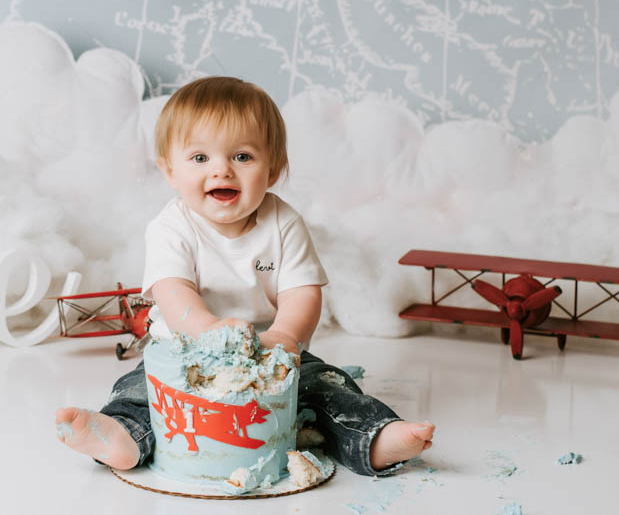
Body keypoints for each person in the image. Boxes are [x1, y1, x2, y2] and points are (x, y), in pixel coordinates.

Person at [53, 76, 434, 476]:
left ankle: (371, 435)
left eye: (243, 157)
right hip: (182, 351)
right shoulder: (171, 227)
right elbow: (172, 290)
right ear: (169, 171)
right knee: (141, 390)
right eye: (200, 158)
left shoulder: (284, 223)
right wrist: (210, 330)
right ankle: (121, 435)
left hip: (269, 353)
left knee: (327, 386)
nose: (222, 170)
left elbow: (302, 293)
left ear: (272, 170)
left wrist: (286, 337)